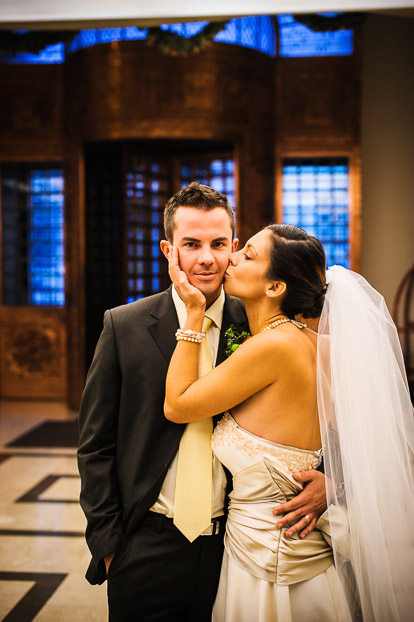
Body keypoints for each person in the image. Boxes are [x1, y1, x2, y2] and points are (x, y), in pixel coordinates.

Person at [77, 184, 327, 622]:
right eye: (191, 244)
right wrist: (110, 546)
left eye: (219, 244)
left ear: (233, 248)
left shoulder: (260, 325)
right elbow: (96, 445)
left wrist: (331, 481)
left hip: (231, 546)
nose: (206, 258)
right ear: (168, 250)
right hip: (145, 543)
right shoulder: (124, 326)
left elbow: (320, 417)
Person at [165, 223, 414, 621]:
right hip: (300, 555)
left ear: (275, 287)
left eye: (247, 254)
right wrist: (335, 483)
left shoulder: (272, 346)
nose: (231, 258)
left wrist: (194, 314)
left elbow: (178, 405)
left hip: (269, 564)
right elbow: (373, 438)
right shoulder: (322, 346)